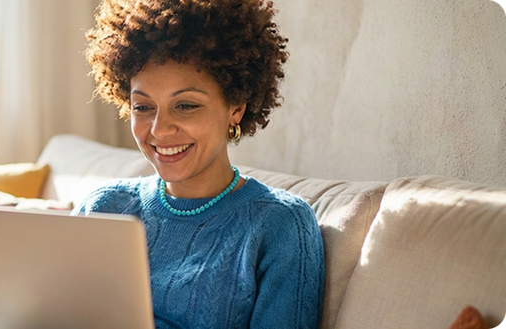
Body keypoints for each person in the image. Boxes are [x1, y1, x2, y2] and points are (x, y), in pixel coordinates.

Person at [73, 0, 325, 328]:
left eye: (186, 106)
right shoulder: (104, 208)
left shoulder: (279, 225)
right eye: (143, 107)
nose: (159, 130)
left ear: (236, 107)